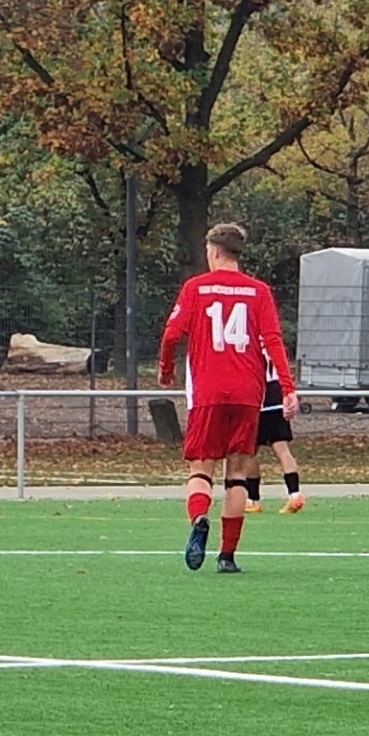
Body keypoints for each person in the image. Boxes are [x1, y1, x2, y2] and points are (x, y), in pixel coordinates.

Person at [158, 223, 297, 574]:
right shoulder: (259, 291)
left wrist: (165, 370)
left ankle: (199, 518)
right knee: (237, 474)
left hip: (208, 392)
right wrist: (288, 387)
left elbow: (172, 334)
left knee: (200, 468)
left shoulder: (196, 288)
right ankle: (227, 556)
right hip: (248, 394)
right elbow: (273, 341)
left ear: (215, 251)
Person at [241, 352, 306, 515]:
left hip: (257, 396)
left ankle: (253, 499)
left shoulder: (249, 343)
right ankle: (295, 494)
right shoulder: (273, 345)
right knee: (282, 450)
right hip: (276, 394)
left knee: (249, 452)